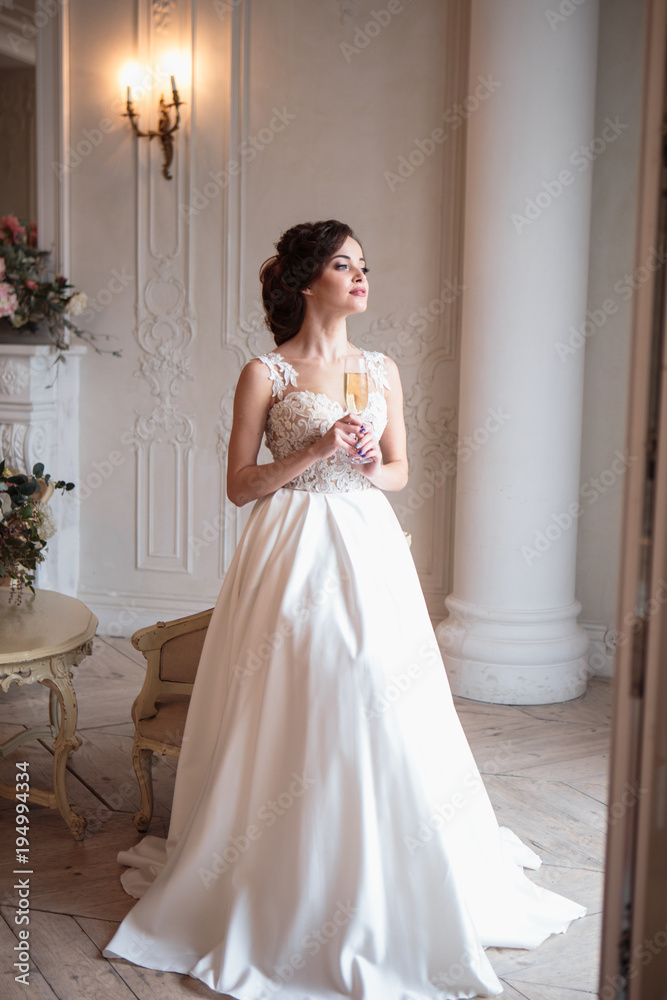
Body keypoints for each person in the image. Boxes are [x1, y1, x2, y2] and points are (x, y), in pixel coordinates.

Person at [104, 219, 586, 999]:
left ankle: (386, 854)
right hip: (288, 550)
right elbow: (239, 485)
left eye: (363, 264)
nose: (360, 276)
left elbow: (396, 474)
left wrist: (365, 461)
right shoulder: (264, 372)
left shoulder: (382, 367)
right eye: (341, 264)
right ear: (304, 280)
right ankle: (284, 862)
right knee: (297, 687)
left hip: (366, 545)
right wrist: (316, 450)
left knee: (377, 684)